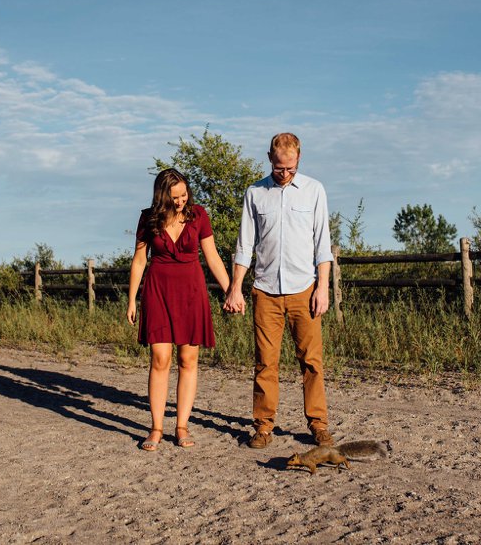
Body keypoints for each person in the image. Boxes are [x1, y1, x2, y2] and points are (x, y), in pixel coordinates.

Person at [223, 133, 335, 449]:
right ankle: (263, 426)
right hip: (265, 290)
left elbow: (322, 244)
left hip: (305, 289)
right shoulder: (255, 193)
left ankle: (318, 424)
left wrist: (322, 288)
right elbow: (245, 245)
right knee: (265, 362)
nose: (284, 174)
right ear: (270, 158)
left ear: (298, 159)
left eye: (290, 168)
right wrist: (235, 289)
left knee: (312, 362)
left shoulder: (314, 190)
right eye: (279, 168)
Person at [127, 168, 230, 451]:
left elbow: (213, 257)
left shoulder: (198, 215)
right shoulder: (148, 218)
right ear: (162, 196)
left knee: (188, 359)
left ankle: (182, 425)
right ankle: (156, 427)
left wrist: (231, 290)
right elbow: (139, 261)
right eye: (175, 196)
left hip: (191, 293)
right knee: (160, 358)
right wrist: (131, 299)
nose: (181, 200)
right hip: (158, 291)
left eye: (184, 194)